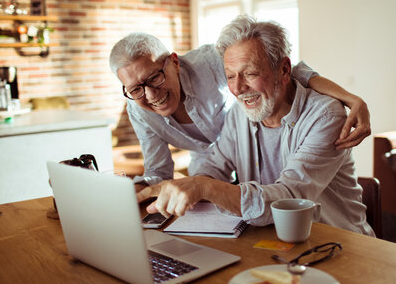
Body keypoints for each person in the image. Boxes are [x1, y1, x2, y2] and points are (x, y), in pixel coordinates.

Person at [138, 15, 374, 235]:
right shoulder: (240, 114)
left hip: (338, 243)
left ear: (283, 70)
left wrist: (205, 187)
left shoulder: (325, 117)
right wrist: (194, 185)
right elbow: (215, 165)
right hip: (273, 242)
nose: (238, 88)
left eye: (250, 73)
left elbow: (288, 200)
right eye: (230, 76)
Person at [109, 29, 370, 192]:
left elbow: (287, 70)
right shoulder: (139, 109)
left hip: (271, 174)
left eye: (154, 78)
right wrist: (137, 191)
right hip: (230, 166)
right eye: (135, 89)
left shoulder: (211, 62)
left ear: (174, 63)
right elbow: (161, 172)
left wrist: (350, 98)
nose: (151, 95)